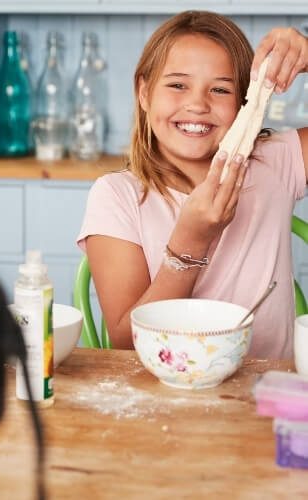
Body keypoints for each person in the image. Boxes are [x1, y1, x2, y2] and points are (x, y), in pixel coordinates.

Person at [77, 10, 307, 359]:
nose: (198, 104)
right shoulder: (116, 197)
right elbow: (126, 342)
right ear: (143, 92)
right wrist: (190, 243)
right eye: (177, 85)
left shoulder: (277, 162)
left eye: (220, 89)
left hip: (266, 393)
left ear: (244, 102)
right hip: (166, 397)